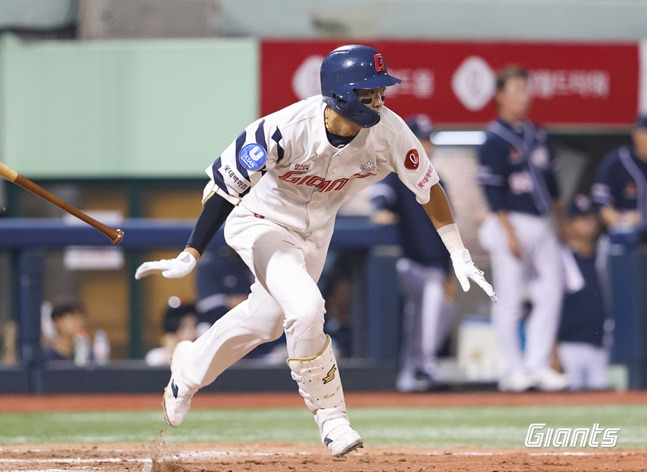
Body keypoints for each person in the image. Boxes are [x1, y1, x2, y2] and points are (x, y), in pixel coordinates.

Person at [135, 44, 496, 457]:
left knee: (267, 321)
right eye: (369, 93)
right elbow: (222, 189)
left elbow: (428, 188)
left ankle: (189, 367)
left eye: (381, 92)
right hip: (260, 222)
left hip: (316, 231)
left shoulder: (390, 131)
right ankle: (332, 418)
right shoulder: (284, 128)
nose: (379, 101)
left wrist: (458, 252)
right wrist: (191, 254)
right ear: (340, 93)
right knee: (306, 308)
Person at [476, 65, 568, 392]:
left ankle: (537, 365)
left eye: (526, 90)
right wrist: (508, 232)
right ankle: (512, 369)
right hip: (510, 220)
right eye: (516, 90)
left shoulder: (537, 133)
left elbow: (553, 185)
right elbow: (492, 190)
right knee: (510, 299)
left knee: (551, 293)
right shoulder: (494, 138)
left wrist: (561, 222)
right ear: (500, 95)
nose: (523, 97)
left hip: (542, 222)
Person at [371, 114, 455, 392]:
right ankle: (424, 366)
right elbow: (381, 195)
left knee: (432, 310)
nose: (427, 146)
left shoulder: (439, 182)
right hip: (406, 265)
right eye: (421, 139)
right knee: (425, 304)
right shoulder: (397, 175)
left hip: (433, 266)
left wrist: (449, 271)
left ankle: (412, 372)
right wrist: (381, 210)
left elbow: (447, 229)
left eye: (429, 140)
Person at [556, 194, 610, 390]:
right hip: (569, 346)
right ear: (569, 225)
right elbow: (547, 307)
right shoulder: (561, 258)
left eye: (590, 217)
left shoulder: (604, 258)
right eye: (580, 218)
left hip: (600, 345)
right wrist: (552, 350)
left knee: (603, 403)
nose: (588, 223)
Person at [592, 114, 647, 231]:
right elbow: (602, 204)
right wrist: (622, 220)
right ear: (636, 135)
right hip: (626, 240)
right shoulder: (616, 162)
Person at [145, 298, 199, 367]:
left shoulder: (199, 355)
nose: (192, 332)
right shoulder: (156, 356)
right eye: (184, 326)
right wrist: (171, 351)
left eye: (194, 326)